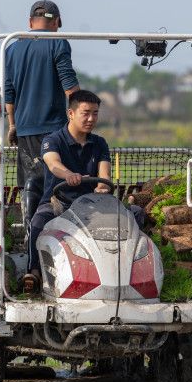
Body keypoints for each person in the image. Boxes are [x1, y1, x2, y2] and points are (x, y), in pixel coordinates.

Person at [23, 90, 144, 292]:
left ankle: (131, 272)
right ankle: (33, 271)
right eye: (86, 113)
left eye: (95, 113)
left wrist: (102, 187)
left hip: (93, 207)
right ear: (70, 113)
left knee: (136, 213)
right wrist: (68, 175)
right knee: (38, 221)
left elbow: (104, 174)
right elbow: (53, 164)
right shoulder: (52, 140)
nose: (91, 119)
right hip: (60, 204)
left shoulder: (99, 143)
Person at [3, 0, 80, 225]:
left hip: (24, 129)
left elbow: (8, 92)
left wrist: (12, 125)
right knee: (58, 184)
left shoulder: (11, 48)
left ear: (30, 22)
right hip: (54, 129)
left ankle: (30, 232)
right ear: (57, 22)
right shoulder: (58, 43)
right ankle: (56, 234)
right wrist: (82, 116)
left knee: (30, 183)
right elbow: (69, 86)